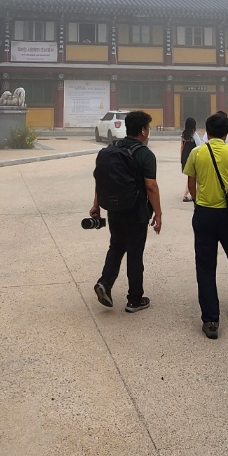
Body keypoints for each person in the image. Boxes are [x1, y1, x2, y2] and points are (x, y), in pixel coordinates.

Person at [182, 111, 228, 339]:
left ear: (207, 132)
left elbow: (191, 184)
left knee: (205, 266)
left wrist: (198, 203)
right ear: (227, 133)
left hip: (204, 213)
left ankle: (210, 320)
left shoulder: (197, 153)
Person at [90, 110, 162, 314]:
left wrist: (96, 204)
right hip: (136, 212)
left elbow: (103, 180)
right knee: (135, 254)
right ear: (143, 131)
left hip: (114, 210)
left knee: (116, 247)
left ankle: (105, 283)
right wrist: (158, 213)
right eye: (148, 128)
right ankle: (135, 299)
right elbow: (151, 186)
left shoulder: (112, 149)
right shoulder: (145, 154)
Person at [180, 116, 199, 202]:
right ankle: (186, 195)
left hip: (185, 156)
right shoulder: (194, 135)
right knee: (193, 176)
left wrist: (181, 157)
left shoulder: (183, 135)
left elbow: (182, 147)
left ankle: (189, 194)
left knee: (191, 176)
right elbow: (199, 146)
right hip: (193, 157)